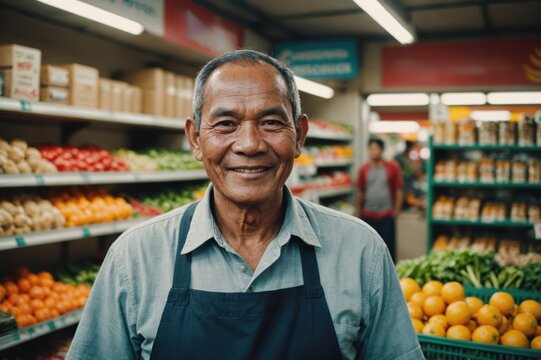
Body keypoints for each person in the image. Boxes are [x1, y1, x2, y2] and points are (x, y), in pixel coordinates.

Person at [67, 50, 423, 360]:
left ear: (299, 136)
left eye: (271, 122)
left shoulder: (361, 252)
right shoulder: (135, 258)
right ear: (195, 139)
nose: (249, 144)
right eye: (226, 124)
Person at [355, 138, 404, 262]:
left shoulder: (392, 167)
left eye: (376, 149)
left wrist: (396, 210)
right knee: (369, 248)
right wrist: (358, 211)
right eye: (371, 149)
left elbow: (399, 189)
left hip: (386, 214)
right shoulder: (364, 169)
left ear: (382, 150)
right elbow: (360, 190)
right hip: (368, 215)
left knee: (388, 248)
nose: (373, 152)